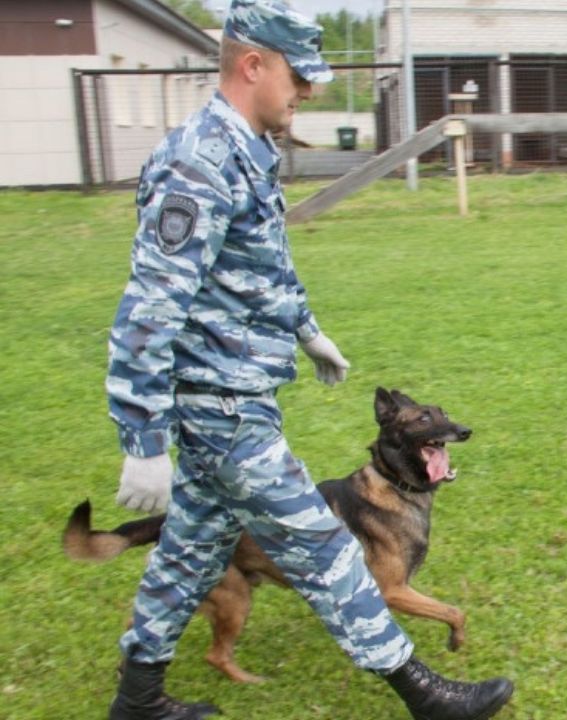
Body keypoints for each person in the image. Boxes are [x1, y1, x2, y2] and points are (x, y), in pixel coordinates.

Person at [103, 2, 514, 718]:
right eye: (299, 77)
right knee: (327, 547)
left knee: (189, 553)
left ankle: (137, 698)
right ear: (252, 65)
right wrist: (141, 440)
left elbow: (260, 267)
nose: (309, 93)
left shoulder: (247, 152)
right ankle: (427, 697)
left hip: (235, 399)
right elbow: (149, 308)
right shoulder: (197, 162)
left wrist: (306, 329)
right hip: (222, 411)